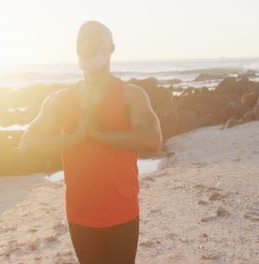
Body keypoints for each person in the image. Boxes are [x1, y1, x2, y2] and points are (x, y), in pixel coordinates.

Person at [20, 20, 162, 264]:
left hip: (122, 210)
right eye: (81, 44)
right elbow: (27, 145)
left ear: (111, 48)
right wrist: (75, 137)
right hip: (80, 213)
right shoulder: (60, 100)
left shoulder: (130, 95)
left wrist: (98, 134)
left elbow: (153, 140)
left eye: (96, 42)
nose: (87, 47)